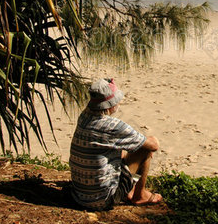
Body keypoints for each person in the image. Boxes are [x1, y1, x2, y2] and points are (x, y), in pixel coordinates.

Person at [69, 78, 163, 210]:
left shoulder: (84, 117)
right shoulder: (112, 126)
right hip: (103, 200)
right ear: (111, 104)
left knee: (124, 148)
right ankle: (139, 195)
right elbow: (153, 145)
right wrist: (151, 139)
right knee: (145, 149)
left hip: (79, 195)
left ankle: (129, 188)